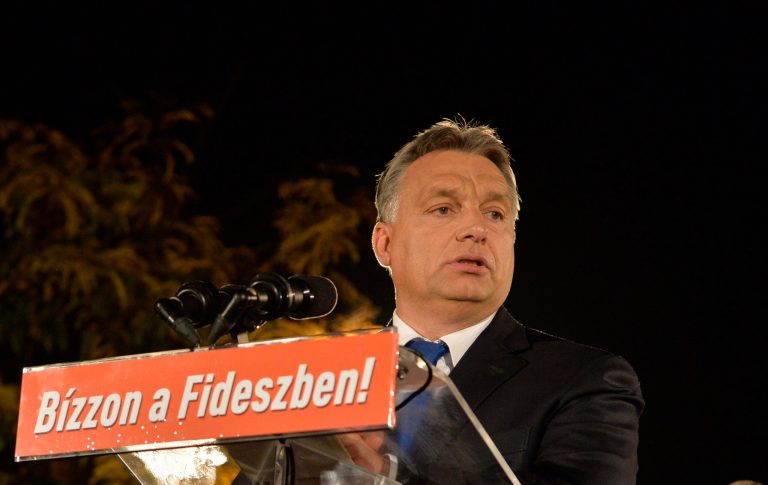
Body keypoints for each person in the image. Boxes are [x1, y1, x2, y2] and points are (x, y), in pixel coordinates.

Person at [339, 117, 645, 484]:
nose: (477, 229)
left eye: (495, 214)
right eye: (444, 209)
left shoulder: (585, 379)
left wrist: (390, 476)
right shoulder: (328, 375)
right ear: (384, 243)